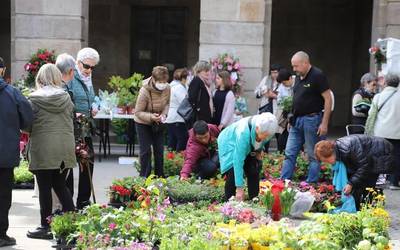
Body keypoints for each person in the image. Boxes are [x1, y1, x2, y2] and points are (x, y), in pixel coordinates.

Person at [26, 64, 76, 239]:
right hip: (64, 147)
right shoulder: (66, 98)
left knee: (44, 187)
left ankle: (45, 226)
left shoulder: (33, 100)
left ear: (39, 78)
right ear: (57, 77)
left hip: (43, 148)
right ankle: (73, 223)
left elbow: (26, 126)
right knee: (60, 185)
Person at [280, 51, 332, 183]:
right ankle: (283, 181)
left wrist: (324, 123)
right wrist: (291, 117)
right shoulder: (298, 77)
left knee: (313, 154)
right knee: (289, 152)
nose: (294, 69)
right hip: (296, 120)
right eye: (293, 66)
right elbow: (296, 98)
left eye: (296, 66)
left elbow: (328, 99)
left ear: (305, 63)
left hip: (312, 119)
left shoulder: (317, 75)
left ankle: (311, 183)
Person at [0, 57, 33, 247]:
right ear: (2, 71)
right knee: (3, 197)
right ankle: (1, 235)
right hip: (5, 154)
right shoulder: (13, 93)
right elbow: (28, 119)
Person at [314, 135, 393, 210]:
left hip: (380, 153)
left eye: (326, 161)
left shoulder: (347, 150)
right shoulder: (338, 151)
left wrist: (351, 183)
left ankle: (373, 204)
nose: (327, 163)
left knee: (369, 185)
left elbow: (364, 167)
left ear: (330, 154)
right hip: (368, 157)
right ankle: (365, 204)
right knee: (359, 189)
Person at [65, 47, 100, 209]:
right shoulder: (71, 77)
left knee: (88, 161)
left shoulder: (89, 79)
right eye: (86, 66)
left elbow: (93, 98)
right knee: (69, 163)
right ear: (78, 63)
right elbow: (66, 97)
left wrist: (95, 105)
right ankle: (67, 201)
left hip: (85, 127)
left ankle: (83, 201)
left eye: (92, 67)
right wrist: (75, 112)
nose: (89, 70)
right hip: (71, 126)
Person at [218, 113, 278, 201]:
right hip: (229, 141)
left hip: (248, 143)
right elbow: (238, 161)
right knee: (232, 172)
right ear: (257, 128)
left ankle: (254, 199)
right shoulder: (243, 133)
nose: (266, 138)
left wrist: (258, 151)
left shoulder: (268, 127)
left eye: (267, 136)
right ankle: (229, 203)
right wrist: (239, 188)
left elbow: (262, 142)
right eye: (264, 135)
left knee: (254, 168)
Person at [134, 66, 170, 177]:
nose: (162, 84)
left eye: (164, 81)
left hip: (158, 122)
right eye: (160, 82)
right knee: (146, 151)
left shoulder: (168, 88)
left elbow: (167, 103)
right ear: (153, 80)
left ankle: (160, 177)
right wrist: (151, 117)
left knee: (159, 150)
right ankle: (144, 176)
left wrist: (164, 114)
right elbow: (138, 112)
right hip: (143, 123)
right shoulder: (144, 90)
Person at [369, 74, 400, 190]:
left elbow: (371, 114)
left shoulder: (378, 97)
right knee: (396, 156)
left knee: (379, 157)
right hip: (397, 133)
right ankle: (394, 182)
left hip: (380, 132)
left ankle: (374, 181)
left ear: (386, 83)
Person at [255, 63, 281, 152]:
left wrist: (273, 95)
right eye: (272, 72)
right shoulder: (266, 79)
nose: (274, 75)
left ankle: (279, 155)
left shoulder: (282, 81)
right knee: (264, 133)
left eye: (276, 72)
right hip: (265, 108)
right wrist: (263, 92)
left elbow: (286, 97)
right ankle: (263, 153)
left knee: (278, 135)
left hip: (277, 111)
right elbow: (256, 92)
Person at [165, 68, 189, 151]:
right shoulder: (179, 87)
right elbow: (184, 102)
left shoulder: (171, 86)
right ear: (183, 78)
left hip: (171, 117)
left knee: (172, 141)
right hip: (178, 118)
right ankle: (178, 160)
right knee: (181, 140)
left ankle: (170, 159)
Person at [275, 68, 294, 153]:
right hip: (286, 115)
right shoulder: (282, 86)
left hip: (296, 115)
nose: (284, 85)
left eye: (284, 83)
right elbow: (279, 101)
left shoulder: (298, 83)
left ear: (290, 78)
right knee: (282, 138)